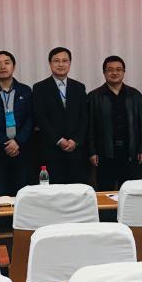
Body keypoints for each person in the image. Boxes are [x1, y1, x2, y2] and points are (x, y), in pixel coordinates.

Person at [0, 50, 34, 196]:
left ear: (14, 67)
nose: (3, 67)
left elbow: (30, 118)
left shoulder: (25, 91)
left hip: (22, 150)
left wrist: (18, 142)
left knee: (22, 194)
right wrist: (6, 143)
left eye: (7, 63)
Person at [87, 55, 142, 190]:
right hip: (104, 153)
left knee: (130, 192)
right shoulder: (94, 96)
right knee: (105, 192)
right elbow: (90, 127)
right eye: (110, 70)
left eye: (118, 69)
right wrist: (92, 151)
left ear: (124, 72)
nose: (114, 73)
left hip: (130, 153)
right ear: (104, 73)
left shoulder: (135, 95)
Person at [32, 47, 89, 184]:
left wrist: (75, 140)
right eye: (56, 61)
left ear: (70, 63)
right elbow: (40, 117)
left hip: (76, 151)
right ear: (50, 63)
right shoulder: (40, 88)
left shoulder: (79, 87)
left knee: (76, 189)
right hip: (51, 150)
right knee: (54, 190)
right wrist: (58, 140)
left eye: (65, 60)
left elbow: (85, 117)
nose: (61, 64)